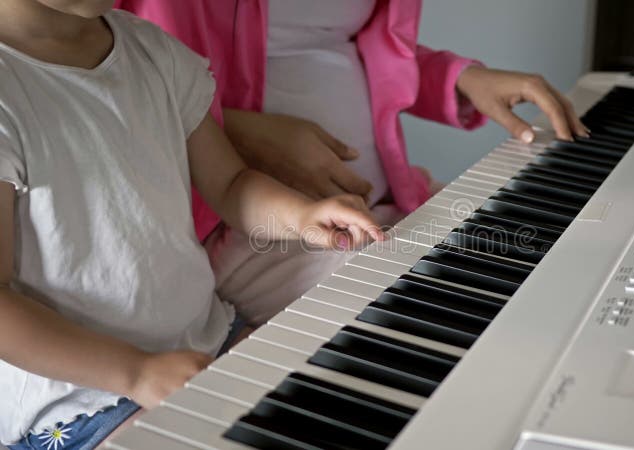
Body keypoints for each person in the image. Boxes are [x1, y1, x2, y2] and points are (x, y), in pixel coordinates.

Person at [0, 0, 385, 448]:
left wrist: (301, 215)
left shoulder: (151, 51)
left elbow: (232, 184)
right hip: (82, 401)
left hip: (203, 341)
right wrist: (136, 371)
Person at [115, 0, 589, 325]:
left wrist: (461, 80)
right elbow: (98, 83)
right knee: (444, 312)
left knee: (549, 266)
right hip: (252, 229)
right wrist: (244, 132)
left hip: (384, 202)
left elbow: (351, 50)